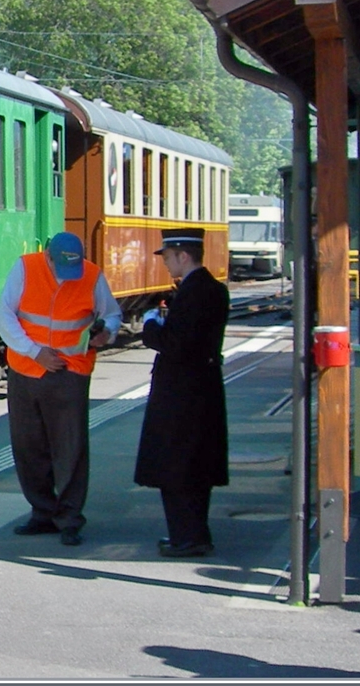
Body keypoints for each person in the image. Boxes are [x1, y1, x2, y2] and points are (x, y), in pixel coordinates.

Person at [0, 231, 122, 546]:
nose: (69, 277)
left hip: (70, 371)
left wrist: (107, 333)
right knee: (28, 445)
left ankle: (69, 519)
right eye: (61, 267)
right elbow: (3, 315)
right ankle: (42, 513)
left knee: (70, 448)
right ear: (48, 256)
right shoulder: (25, 268)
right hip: (27, 369)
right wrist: (34, 351)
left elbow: (112, 315)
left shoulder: (91, 275)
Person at [134, 228, 229, 558]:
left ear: (183, 256)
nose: (166, 265)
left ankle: (186, 538)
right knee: (196, 467)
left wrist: (150, 327)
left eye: (168, 258)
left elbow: (173, 344)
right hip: (202, 387)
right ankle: (193, 534)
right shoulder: (213, 290)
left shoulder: (192, 293)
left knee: (176, 466)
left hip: (181, 394)